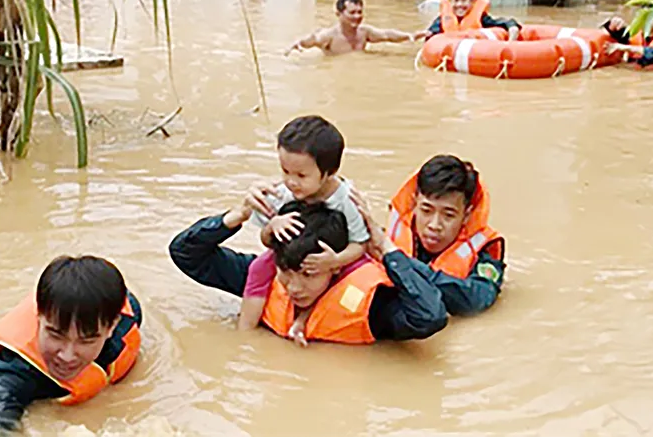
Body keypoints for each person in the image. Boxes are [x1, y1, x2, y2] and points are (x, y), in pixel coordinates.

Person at [168, 196, 450, 345]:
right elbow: (185, 252)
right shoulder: (265, 278)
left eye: (308, 274)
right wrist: (238, 215)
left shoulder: (372, 305)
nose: (293, 288)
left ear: (336, 268)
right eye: (287, 272)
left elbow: (430, 317)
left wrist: (385, 247)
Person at [229, 116, 369, 346]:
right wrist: (272, 227)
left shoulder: (346, 200)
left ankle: (303, 321)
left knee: (334, 280)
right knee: (258, 267)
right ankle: (245, 334)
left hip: (331, 258)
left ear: (329, 172)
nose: (291, 182)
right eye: (285, 171)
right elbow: (266, 241)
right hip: (293, 256)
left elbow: (360, 244)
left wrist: (334, 261)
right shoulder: (281, 193)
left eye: (301, 176)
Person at [0, 256, 142, 435]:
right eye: (55, 335)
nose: (66, 356)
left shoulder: (128, 317)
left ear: (111, 327)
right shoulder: (14, 371)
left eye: (86, 341)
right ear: (39, 316)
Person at [384, 155, 506, 316]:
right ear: (414, 204)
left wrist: (403, 265)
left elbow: (478, 299)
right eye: (426, 210)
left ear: (466, 215)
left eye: (448, 215)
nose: (434, 225)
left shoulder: (483, 250)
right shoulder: (385, 237)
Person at [285, 0, 427, 56]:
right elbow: (313, 39)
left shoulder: (364, 33)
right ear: (339, 14)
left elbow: (386, 35)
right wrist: (298, 43)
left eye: (359, 12)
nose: (357, 16)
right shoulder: (329, 36)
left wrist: (410, 36)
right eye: (352, 13)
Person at [425, 0, 521, 42]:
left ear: (472, 2)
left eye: (464, 0)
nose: (459, 5)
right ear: (450, 1)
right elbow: (431, 32)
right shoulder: (443, 19)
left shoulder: (481, 18)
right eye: (456, 0)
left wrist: (512, 28)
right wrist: (420, 35)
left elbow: (504, 23)